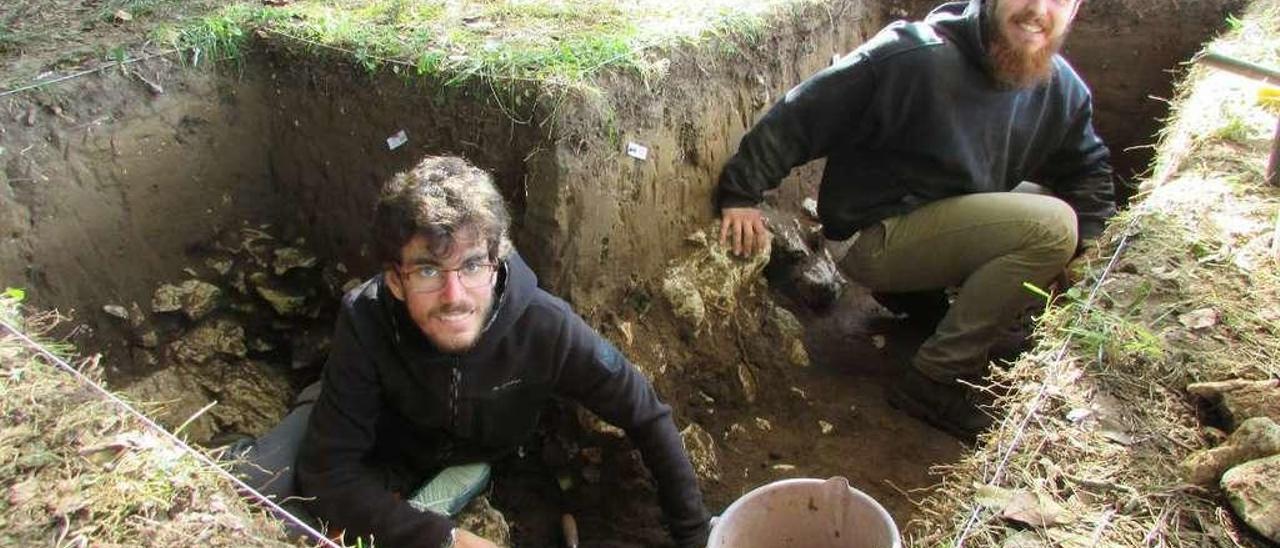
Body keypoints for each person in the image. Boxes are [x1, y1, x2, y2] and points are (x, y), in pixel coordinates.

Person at [242, 156, 710, 548]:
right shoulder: (365, 319)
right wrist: (446, 540)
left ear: (496, 260)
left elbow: (644, 411)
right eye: (428, 271)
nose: (454, 295)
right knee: (254, 490)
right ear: (395, 280)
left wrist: (694, 536)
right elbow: (330, 473)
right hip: (373, 440)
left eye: (470, 266)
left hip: (487, 455)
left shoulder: (543, 324)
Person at [716, 0, 1116, 439]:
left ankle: (925, 304)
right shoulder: (917, 57)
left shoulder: (1060, 89)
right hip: (871, 233)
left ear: (1075, 11)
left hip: (934, 214)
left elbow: (1087, 169)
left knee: (1059, 212)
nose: (1038, 9)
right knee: (1051, 226)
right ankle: (935, 378)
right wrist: (741, 191)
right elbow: (805, 112)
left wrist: (1093, 253)